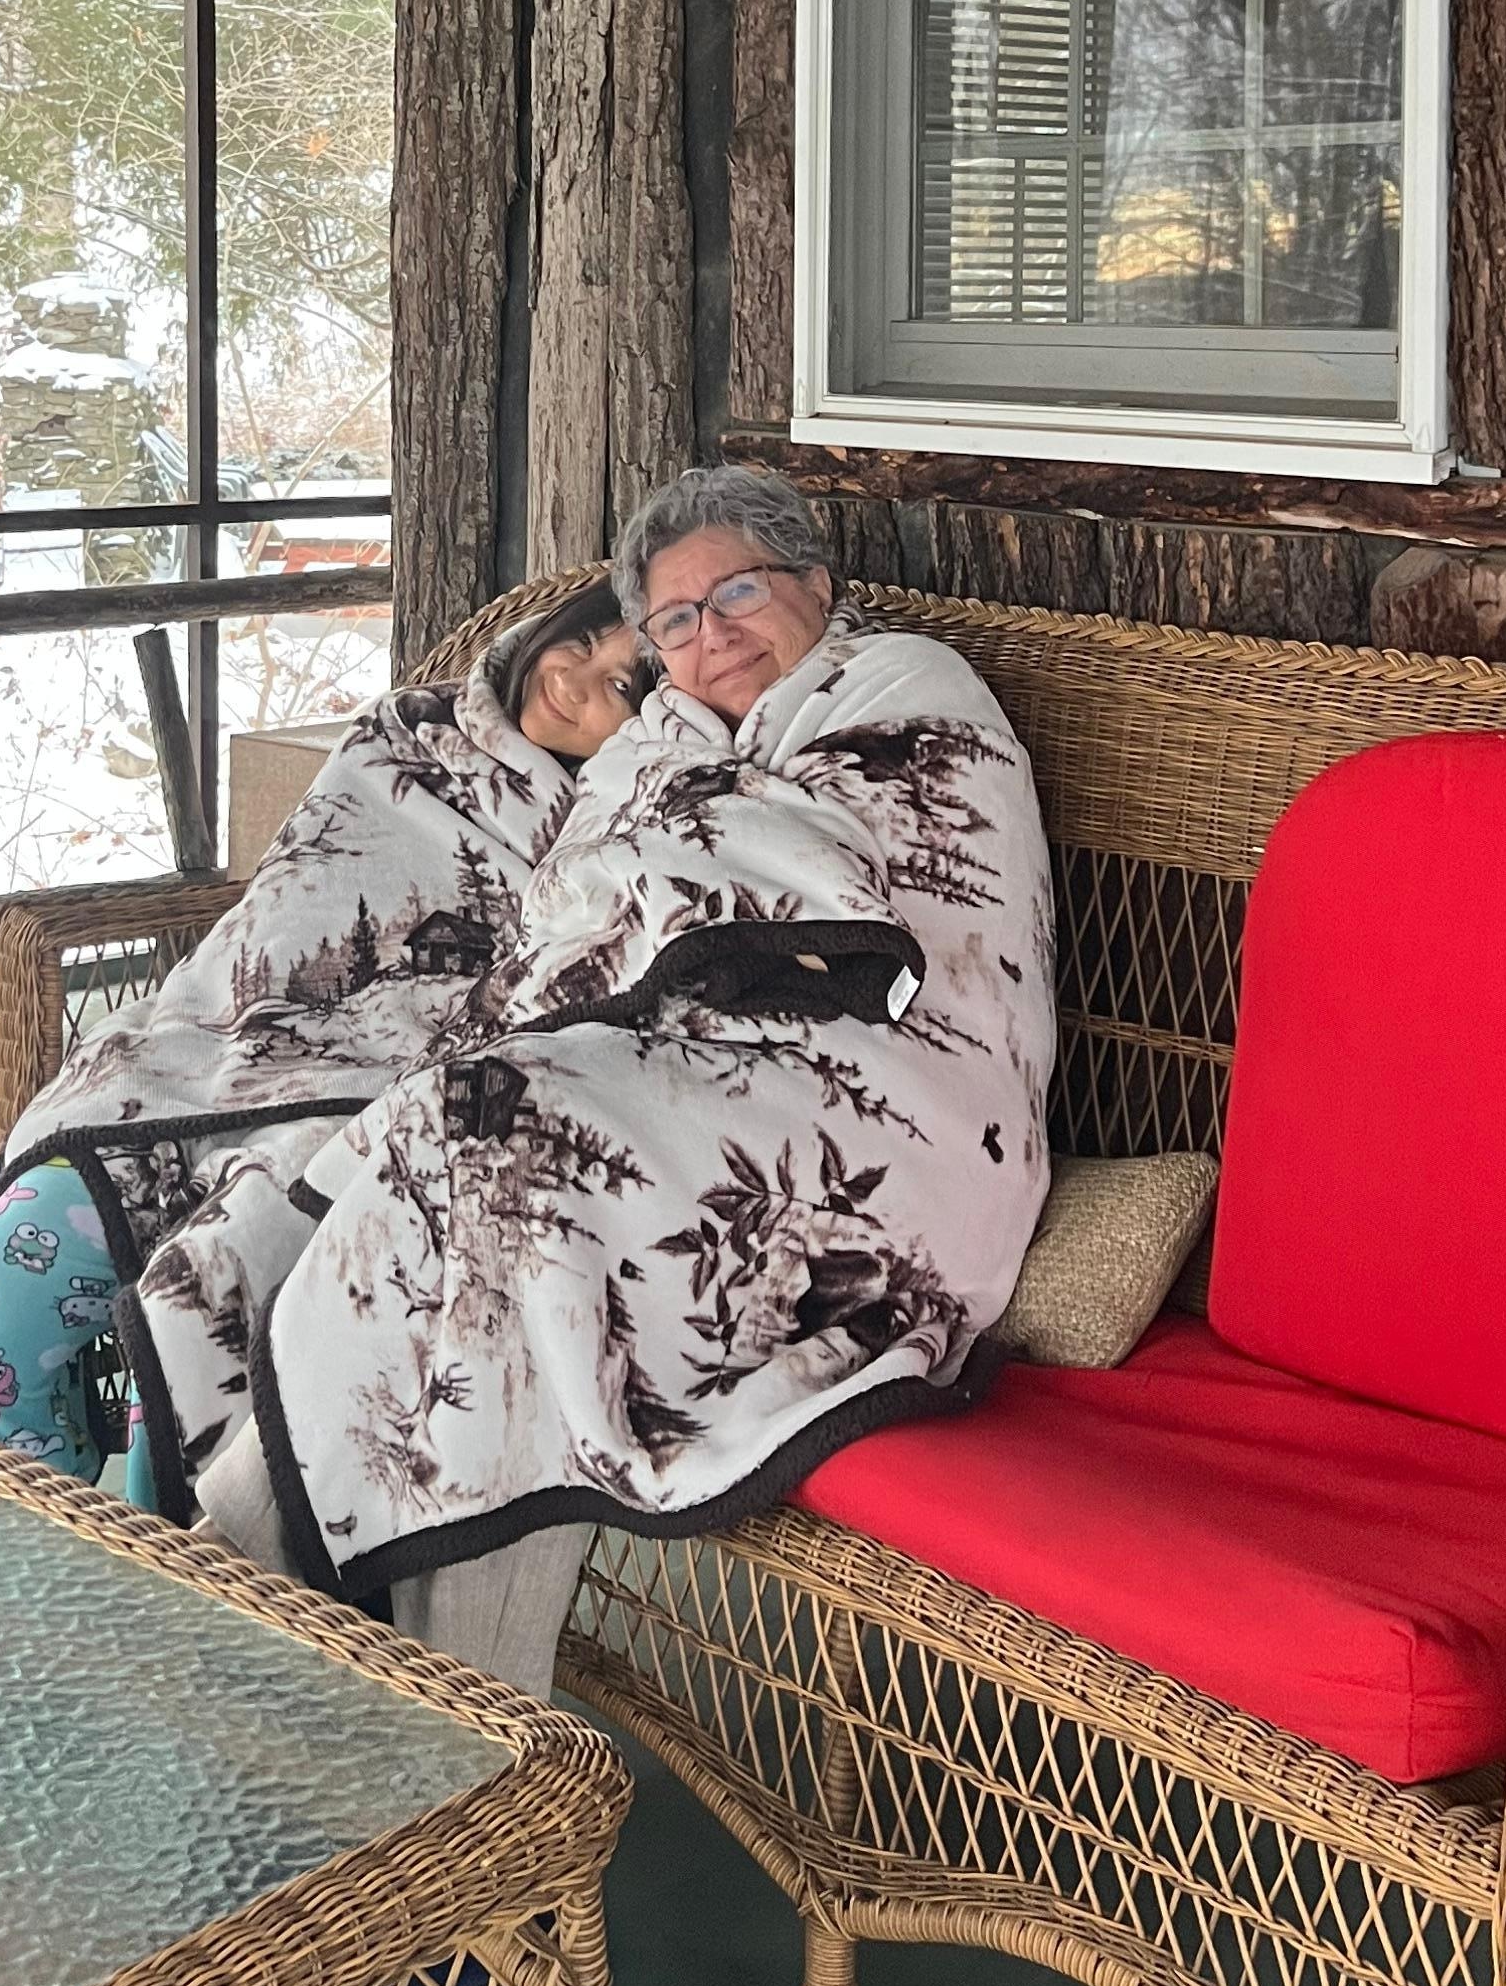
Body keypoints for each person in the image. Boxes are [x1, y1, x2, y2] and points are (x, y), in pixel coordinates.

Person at [190, 464, 1055, 1692]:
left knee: (501, 1153)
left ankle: (298, 1593)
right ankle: (376, 1638)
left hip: (900, 1108)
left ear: (815, 586)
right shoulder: (659, 739)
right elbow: (571, 904)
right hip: (683, 1075)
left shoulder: (906, 682)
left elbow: (834, 894)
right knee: (456, 1163)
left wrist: (681, 835)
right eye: (677, 621)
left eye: (740, 592)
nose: (715, 635)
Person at [0, 577, 642, 1498]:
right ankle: (21, 1556)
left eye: (621, 685)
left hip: (370, 1115)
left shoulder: (633, 833)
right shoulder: (405, 736)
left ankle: (164, 1575)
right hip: (194, 1061)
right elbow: (287, 902)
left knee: (181, 1353)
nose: (574, 679)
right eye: (583, 641)